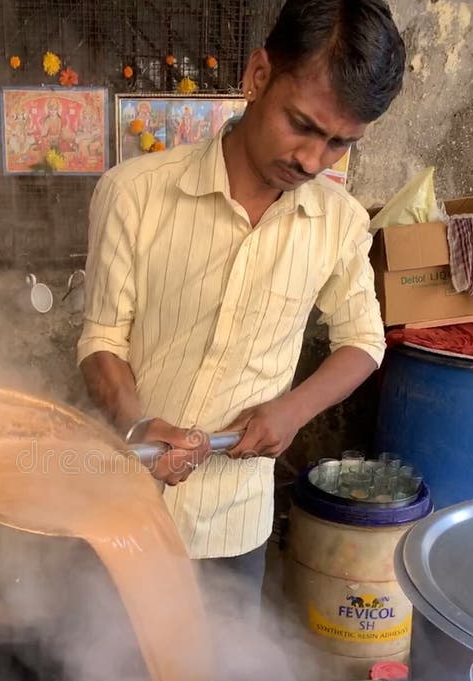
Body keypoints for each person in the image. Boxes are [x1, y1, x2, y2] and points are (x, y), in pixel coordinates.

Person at [77, 0, 406, 605]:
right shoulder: (134, 194)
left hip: (234, 525)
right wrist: (138, 425)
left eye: (338, 143)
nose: (312, 160)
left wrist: (293, 410)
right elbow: (102, 339)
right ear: (257, 77)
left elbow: (364, 340)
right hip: (122, 511)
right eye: (302, 125)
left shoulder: (340, 222)